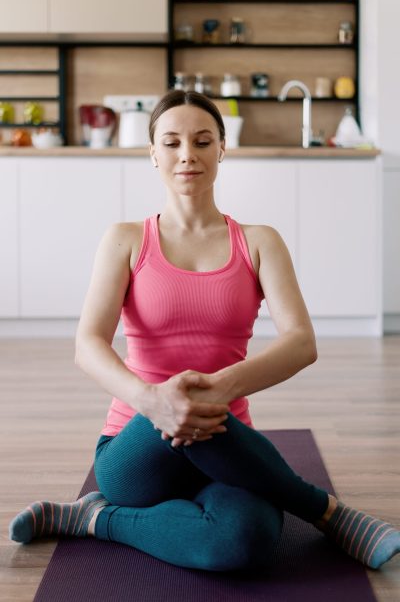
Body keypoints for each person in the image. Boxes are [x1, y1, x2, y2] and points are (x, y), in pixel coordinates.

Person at [9, 90, 400, 572]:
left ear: (221, 148)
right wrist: (152, 400)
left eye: (201, 140)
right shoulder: (126, 240)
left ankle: (97, 519)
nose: (187, 154)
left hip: (229, 448)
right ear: (153, 153)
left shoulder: (259, 242)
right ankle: (326, 512)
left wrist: (219, 388)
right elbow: (87, 345)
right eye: (171, 142)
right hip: (136, 453)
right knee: (183, 409)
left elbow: (301, 341)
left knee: (242, 544)